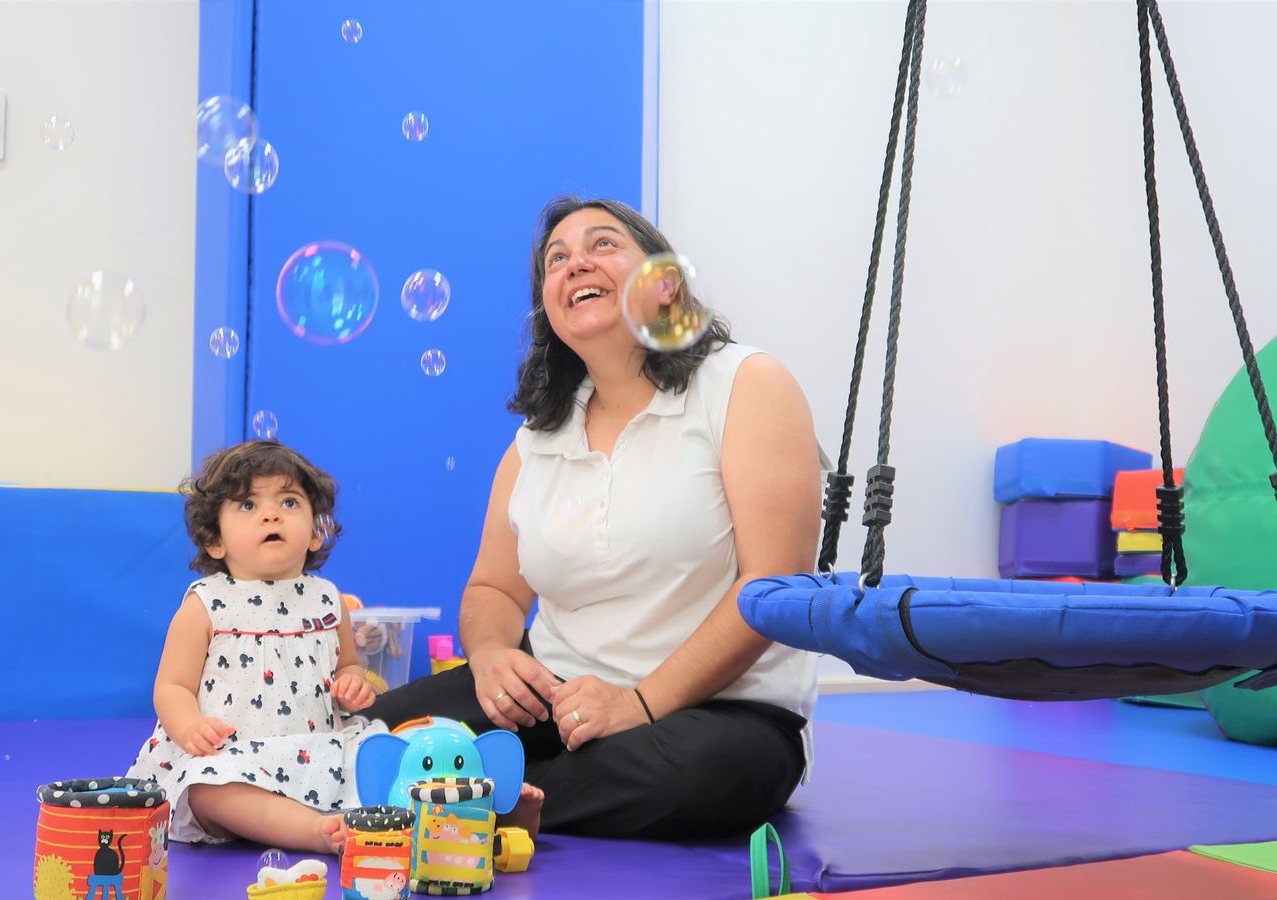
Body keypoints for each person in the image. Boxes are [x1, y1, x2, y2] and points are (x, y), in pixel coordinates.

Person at [365, 196, 822, 839]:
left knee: (693, 773)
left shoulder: (747, 383)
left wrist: (637, 702)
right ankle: (484, 795)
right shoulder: (537, 437)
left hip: (722, 714)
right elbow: (493, 588)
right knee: (371, 731)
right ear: (548, 307)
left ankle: (452, 800)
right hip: (556, 695)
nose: (575, 263)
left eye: (603, 245)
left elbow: (775, 583)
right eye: (557, 259)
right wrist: (493, 653)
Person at [124, 440, 383, 852]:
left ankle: (494, 810)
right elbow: (171, 686)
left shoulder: (327, 600)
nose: (271, 513)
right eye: (248, 505)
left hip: (317, 755)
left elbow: (348, 666)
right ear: (215, 541)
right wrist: (190, 727)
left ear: (316, 531)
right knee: (208, 790)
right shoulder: (206, 604)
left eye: (290, 502)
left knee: (382, 755)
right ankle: (315, 831)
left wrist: (353, 683)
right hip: (235, 759)